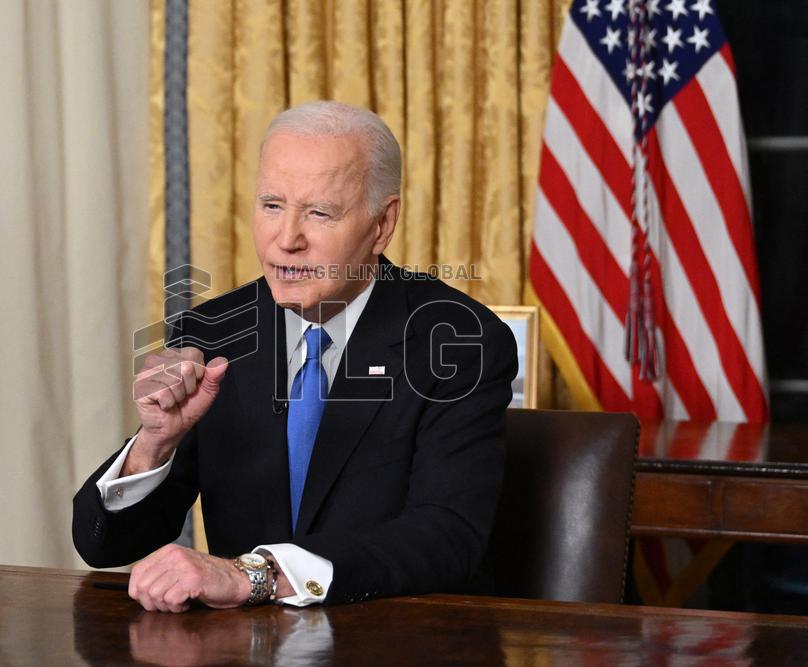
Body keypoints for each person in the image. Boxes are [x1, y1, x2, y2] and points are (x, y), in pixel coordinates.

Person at [72, 100, 517, 612]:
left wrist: (256, 575)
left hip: (397, 639)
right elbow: (105, 545)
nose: (286, 240)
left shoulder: (457, 339)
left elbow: (447, 537)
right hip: (247, 648)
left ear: (382, 224)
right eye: (272, 206)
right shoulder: (215, 331)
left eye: (319, 213)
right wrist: (154, 446)